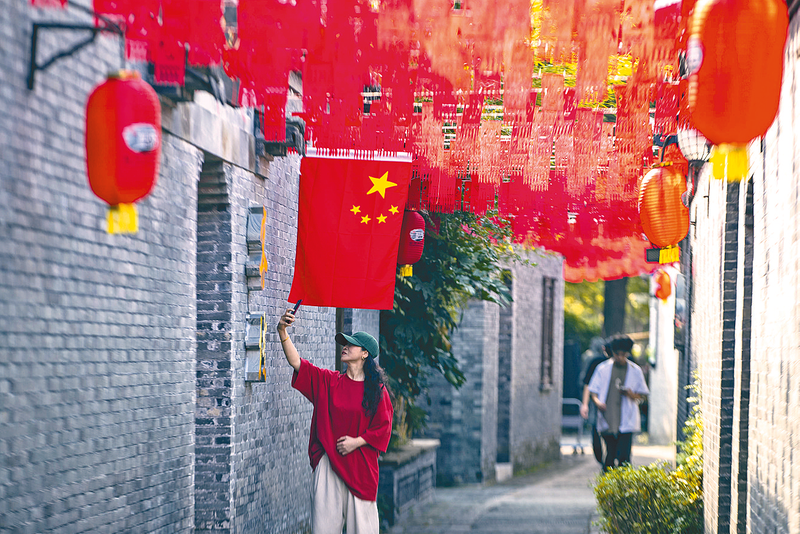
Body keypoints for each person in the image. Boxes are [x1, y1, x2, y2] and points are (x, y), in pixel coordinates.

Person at [278, 307, 393, 534]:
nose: (345, 347)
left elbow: (383, 429)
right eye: (345, 344)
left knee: (363, 530)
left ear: (365, 354)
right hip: (328, 465)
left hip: (361, 470)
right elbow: (297, 363)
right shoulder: (328, 382)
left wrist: (357, 441)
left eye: (351, 345)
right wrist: (282, 331)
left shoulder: (377, 391)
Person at [587, 335, 649, 472]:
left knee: (624, 457)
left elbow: (643, 395)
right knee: (610, 454)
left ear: (627, 353)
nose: (620, 357)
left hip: (627, 418)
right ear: (612, 352)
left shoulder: (635, 370)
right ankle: (607, 482)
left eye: (623, 354)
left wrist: (631, 394)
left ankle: (623, 483)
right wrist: (598, 403)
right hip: (608, 416)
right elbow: (593, 391)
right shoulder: (602, 368)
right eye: (617, 354)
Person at [579, 339, 610, 465]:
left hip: (603, 402)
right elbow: (588, 384)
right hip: (596, 401)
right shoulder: (596, 361)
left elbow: (586, 383)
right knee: (596, 429)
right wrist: (585, 404)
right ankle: (604, 461)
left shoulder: (594, 360)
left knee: (599, 430)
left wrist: (585, 404)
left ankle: (606, 461)